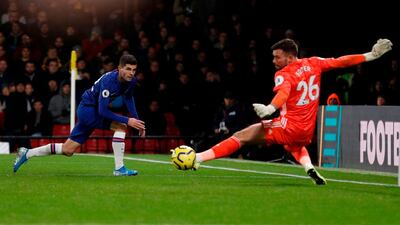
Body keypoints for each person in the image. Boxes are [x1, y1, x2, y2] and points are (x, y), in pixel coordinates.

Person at [189, 38, 392, 185]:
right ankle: (309, 168)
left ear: (289, 57)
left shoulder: (284, 73)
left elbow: (284, 92)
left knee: (241, 136)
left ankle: (197, 158)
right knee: (293, 145)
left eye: (277, 57)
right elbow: (340, 61)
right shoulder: (314, 63)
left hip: (288, 126)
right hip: (307, 130)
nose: (274, 60)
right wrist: (370, 55)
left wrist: (270, 108)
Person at [13, 54, 146, 176]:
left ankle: (27, 153)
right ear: (119, 68)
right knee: (121, 126)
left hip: (91, 111)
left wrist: (138, 122)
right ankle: (119, 169)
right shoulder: (108, 81)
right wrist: (128, 120)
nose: (131, 73)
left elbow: (128, 98)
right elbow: (103, 111)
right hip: (87, 110)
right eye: (128, 69)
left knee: (67, 150)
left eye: (134, 70)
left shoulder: (131, 81)